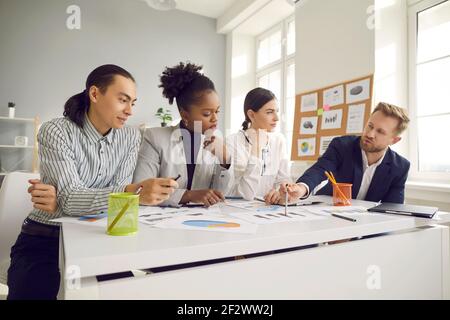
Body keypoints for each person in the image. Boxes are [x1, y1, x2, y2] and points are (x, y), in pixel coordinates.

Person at [7, 64, 178, 300]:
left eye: (133, 103)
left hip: (98, 236)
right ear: (95, 94)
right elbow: (76, 197)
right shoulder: (57, 130)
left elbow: (104, 204)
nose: (129, 110)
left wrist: (65, 200)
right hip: (46, 237)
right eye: (123, 100)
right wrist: (131, 191)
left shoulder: (130, 137)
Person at [132, 62, 233, 207]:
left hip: (203, 221)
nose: (215, 118)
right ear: (184, 114)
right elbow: (141, 190)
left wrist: (225, 161)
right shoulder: (154, 137)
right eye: (207, 113)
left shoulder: (215, 141)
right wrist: (189, 195)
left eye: (217, 111)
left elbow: (221, 194)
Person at [281, 102, 410, 204]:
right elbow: (320, 169)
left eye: (380, 132)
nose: (370, 134)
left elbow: (393, 210)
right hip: (327, 214)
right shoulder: (342, 145)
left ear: (394, 140)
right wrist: (301, 188)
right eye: (370, 126)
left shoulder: (400, 167)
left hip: (362, 225)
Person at [226, 87, 291, 203]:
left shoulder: (279, 140)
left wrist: (280, 191)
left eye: (277, 111)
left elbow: (283, 180)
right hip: (239, 209)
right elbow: (244, 195)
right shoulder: (232, 142)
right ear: (251, 115)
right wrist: (256, 150)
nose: (276, 118)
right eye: (269, 112)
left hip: (269, 210)